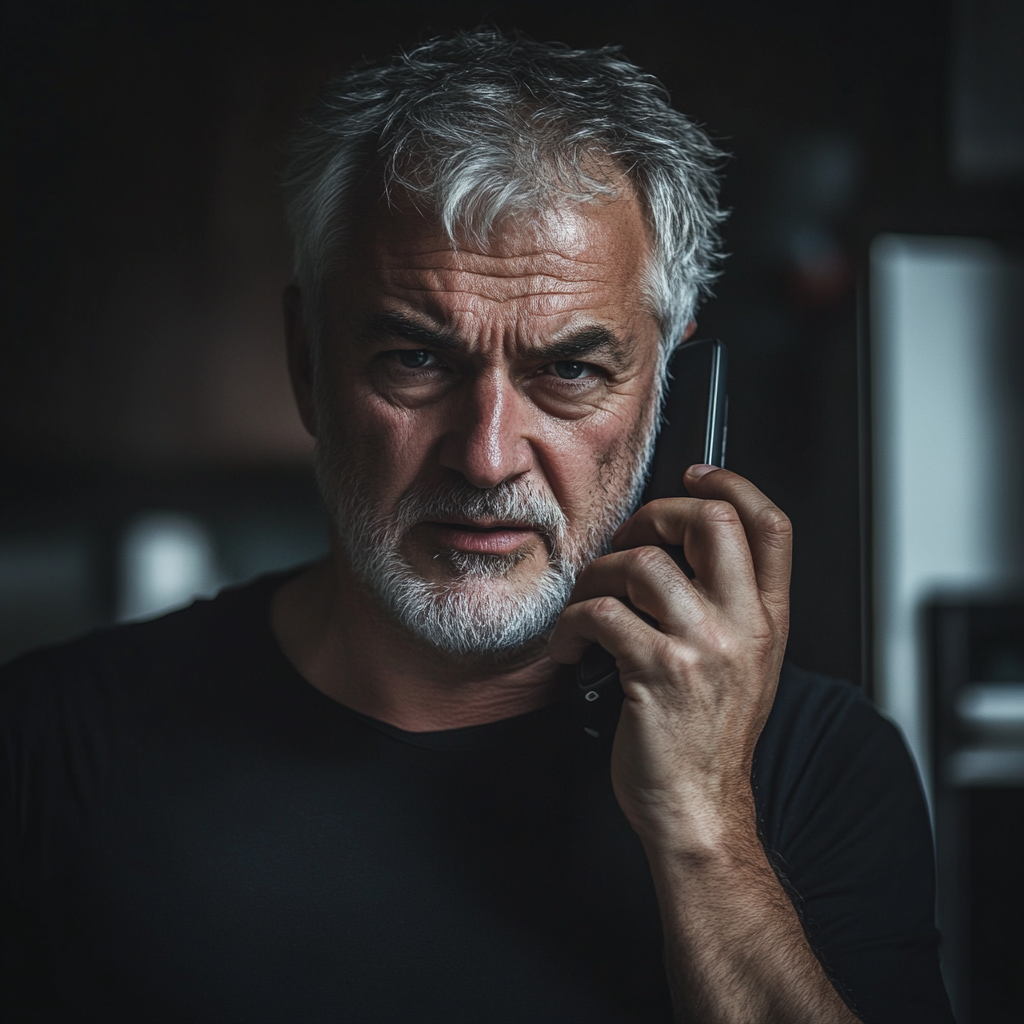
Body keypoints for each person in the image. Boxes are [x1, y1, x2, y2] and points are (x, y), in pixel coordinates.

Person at [0, 30, 953, 1023]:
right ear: (306, 361)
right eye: (416, 360)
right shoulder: (46, 747)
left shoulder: (818, 765)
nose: (487, 456)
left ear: (664, 390)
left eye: (570, 370)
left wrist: (706, 829)